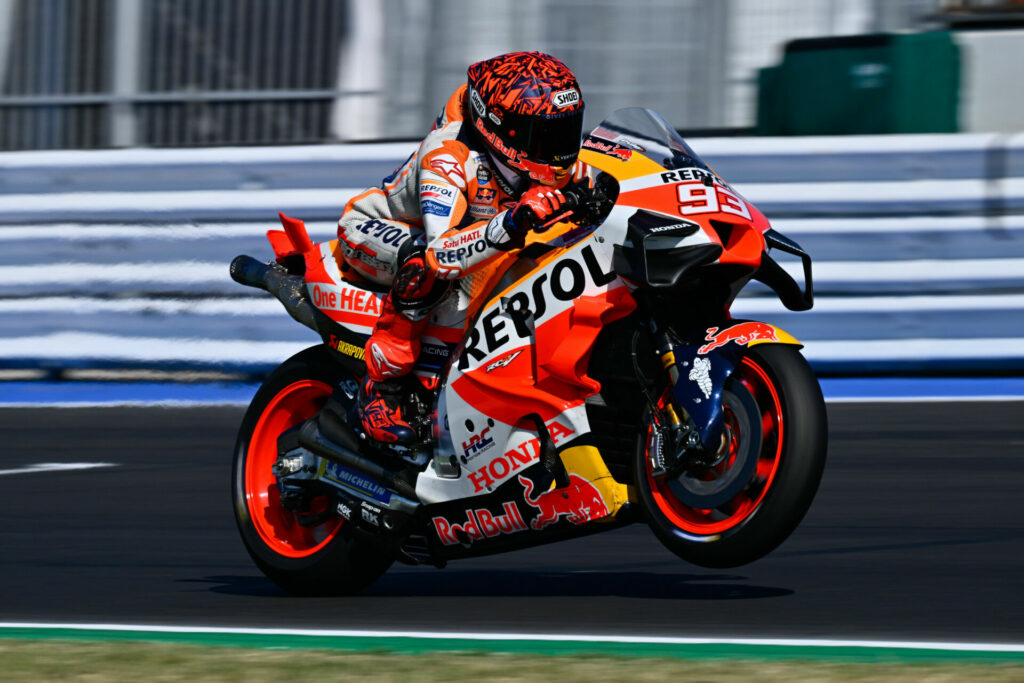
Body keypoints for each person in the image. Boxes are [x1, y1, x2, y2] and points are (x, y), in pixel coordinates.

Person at [337, 51, 589, 446]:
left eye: (566, 131)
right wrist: (511, 222)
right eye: (544, 135)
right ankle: (382, 391)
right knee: (422, 266)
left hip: (468, 238)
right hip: (377, 231)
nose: (560, 148)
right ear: (500, 130)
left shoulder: (542, 160)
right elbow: (442, 254)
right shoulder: (449, 159)